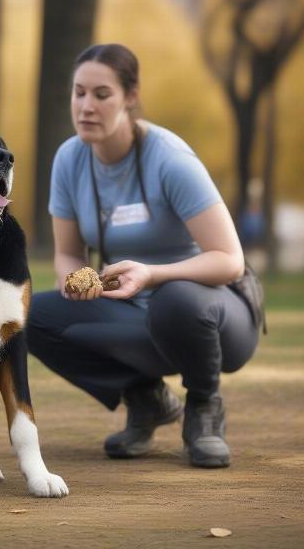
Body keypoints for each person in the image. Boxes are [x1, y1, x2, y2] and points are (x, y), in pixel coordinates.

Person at [26, 44, 258, 468]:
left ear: (130, 97)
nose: (86, 106)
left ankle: (204, 407)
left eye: (102, 94)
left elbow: (229, 259)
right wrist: (75, 279)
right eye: (79, 93)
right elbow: (67, 253)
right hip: (136, 313)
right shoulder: (69, 160)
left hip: (215, 314)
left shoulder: (169, 159)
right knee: (31, 315)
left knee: (175, 298)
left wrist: (152, 274)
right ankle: (145, 398)